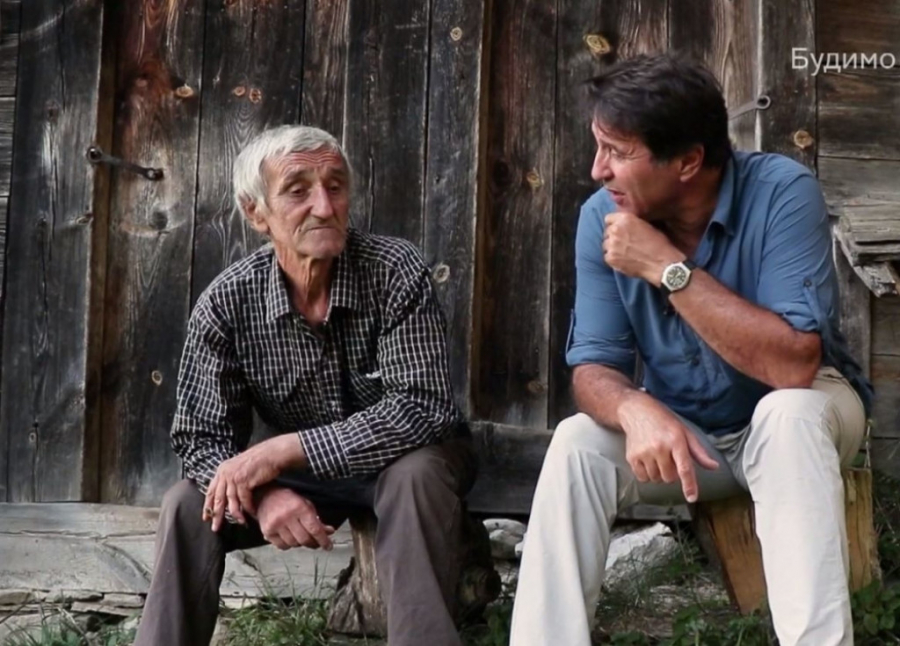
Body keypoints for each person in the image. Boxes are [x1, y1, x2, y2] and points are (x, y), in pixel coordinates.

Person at [509, 53, 871, 646]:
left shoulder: (782, 191)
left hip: (805, 409)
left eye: (617, 151)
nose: (598, 169)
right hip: (689, 436)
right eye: (599, 146)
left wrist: (667, 269)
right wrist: (633, 408)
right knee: (576, 443)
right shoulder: (602, 217)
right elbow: (593, 368)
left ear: (688, 161)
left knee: (786, 417)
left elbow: (793, 366)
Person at [133, 125, 477, 646]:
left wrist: (282, 451)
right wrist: (264, 494)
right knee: (187, 502)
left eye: (335, 186)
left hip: (408, 459)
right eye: (298, 191)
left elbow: (421, 409)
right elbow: (200, 439)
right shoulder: (227, 303)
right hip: (306, 478)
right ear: (256, 213)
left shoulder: (394, 270)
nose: (324, 205)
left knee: (416, 475)